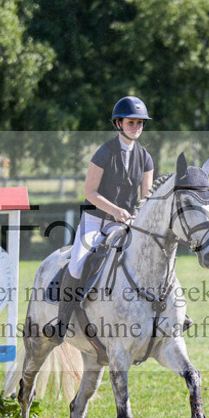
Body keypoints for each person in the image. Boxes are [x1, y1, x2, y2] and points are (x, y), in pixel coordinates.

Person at [53, 95, 155, 343]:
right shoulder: (104, 153)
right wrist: (116, 210)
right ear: (119, 123)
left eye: (140, 123)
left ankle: (165, 314)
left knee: (151, 258)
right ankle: (61, 323)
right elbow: (90, 192)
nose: (136, 127)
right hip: (95, 221)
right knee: (77, 264)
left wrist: (139, 218)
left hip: (125, 225)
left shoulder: (145, 157)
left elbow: (146, 197)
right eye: (131, 122)